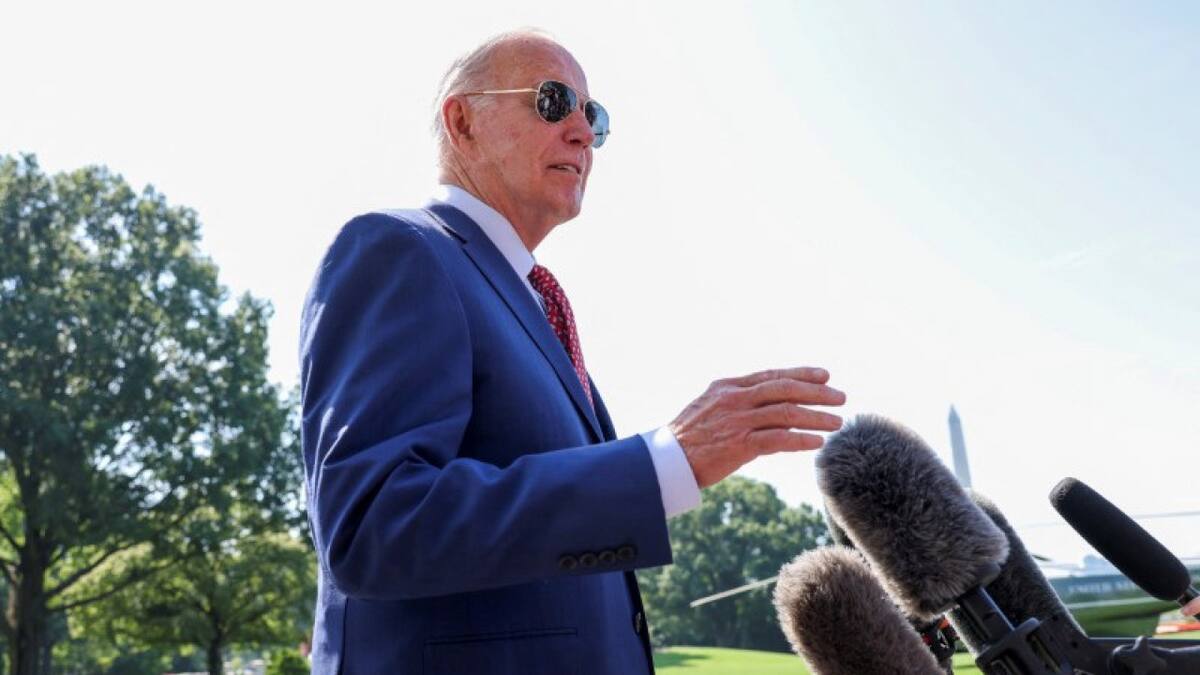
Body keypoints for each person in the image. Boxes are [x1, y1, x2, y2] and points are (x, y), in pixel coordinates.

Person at [299, 29, 846, 674]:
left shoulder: (532, 302)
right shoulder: (400, 249)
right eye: (554, 101)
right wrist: (663, 461)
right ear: (463, 120)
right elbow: (374, 525)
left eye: (596, 117)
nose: (583, 133)